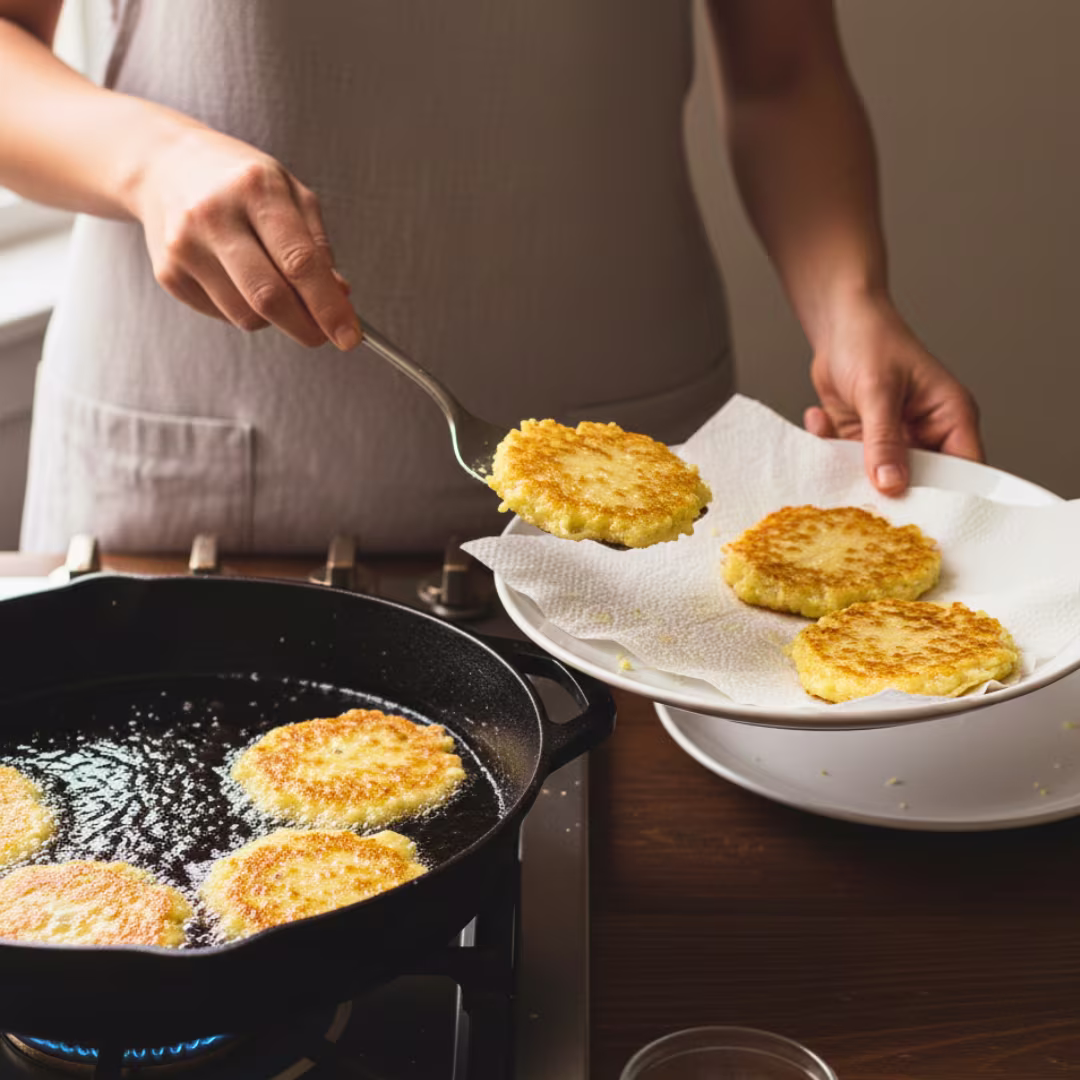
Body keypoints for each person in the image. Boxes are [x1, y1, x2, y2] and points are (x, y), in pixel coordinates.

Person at [0, 0, 982, 554]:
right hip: (191, 498)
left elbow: (784, 72)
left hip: (636, 490)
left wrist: (851, 302)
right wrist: (147, 159)